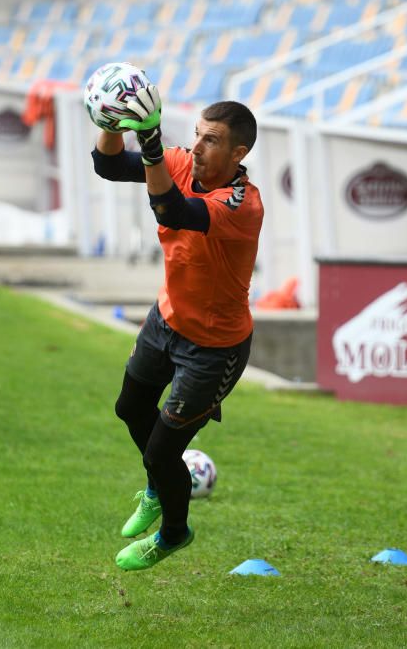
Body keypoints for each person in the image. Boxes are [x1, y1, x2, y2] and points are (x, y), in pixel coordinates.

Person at [92, 86, 263, 571]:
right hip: (166, 319)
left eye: (212, 140)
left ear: (238, 152)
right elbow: (108, 166)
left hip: (214, 347)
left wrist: (149, 143)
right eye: (197, 136)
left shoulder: (243, 203)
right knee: (129, 407)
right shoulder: (185, 163)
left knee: (165, 451)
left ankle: (172, 533)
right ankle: (156, 487)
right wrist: (110, 122)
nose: (199, 148)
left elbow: (172, 211)